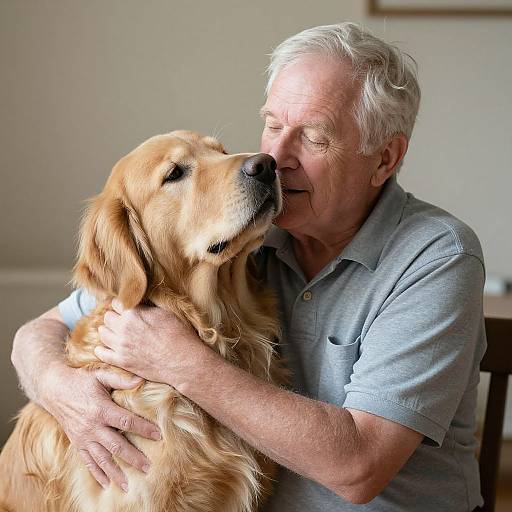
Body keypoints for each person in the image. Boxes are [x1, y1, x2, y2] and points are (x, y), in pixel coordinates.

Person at [11, 22, 486, 511]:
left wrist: (184, 362)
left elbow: (358, 466)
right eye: (273, 125)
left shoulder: (436, 258)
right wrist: (60, 387)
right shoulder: (243, 234)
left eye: (315, 137)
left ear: (384, 159)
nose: (273, 158)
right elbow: (36, 334)